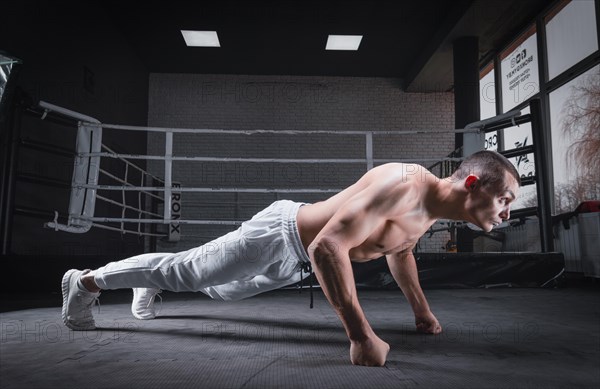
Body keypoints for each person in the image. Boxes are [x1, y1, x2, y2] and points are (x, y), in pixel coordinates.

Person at [62, 150, 520, 367]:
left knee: (217, 288)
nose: (506, 212)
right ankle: (84, 284)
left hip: (296, 261)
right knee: (190, 271)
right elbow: (328, 246)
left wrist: (421, 311)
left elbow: (399, 251)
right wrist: (361, 337)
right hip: (282, 235)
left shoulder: (430, 213)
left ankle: (151, 278)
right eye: (505, 199)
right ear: (473, 185)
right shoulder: (404, 186)